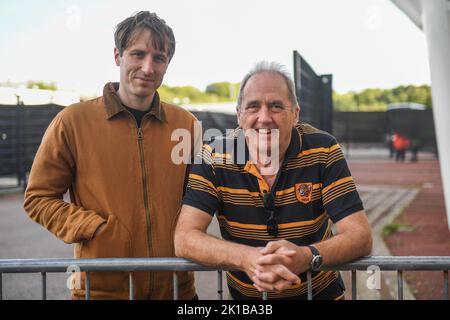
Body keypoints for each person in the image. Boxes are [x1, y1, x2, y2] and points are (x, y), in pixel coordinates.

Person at [24, 11, 199, 300]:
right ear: (118, 56)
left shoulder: (187, 124)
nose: (147, 67)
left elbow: (202, 197)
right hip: (102, 292)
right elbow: (38, 198)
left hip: (177, 291)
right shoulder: (72, 121)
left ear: (167, 64)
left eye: (159, 58)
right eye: (138, 54)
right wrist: (95, 229)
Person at [174, 61, 372, 300]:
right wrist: (248, 259)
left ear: (295, 114)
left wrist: (306, 257)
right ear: (239, 115)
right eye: (253, 106)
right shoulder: (213, 155)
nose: (264, 117)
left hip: (320, 295)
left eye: (276, 106)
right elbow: (185, 238)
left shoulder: (324, 149)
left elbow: (360, 236)